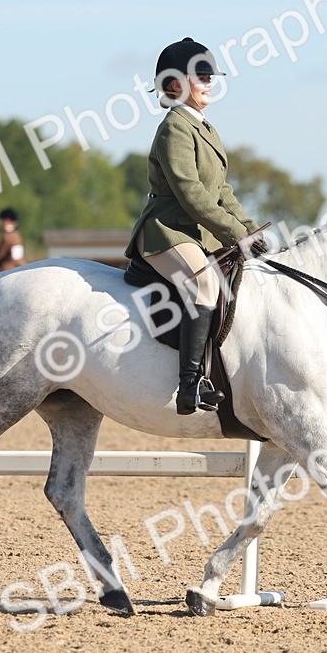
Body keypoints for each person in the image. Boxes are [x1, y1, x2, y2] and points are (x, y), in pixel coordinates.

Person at [124, 37, 268, 415]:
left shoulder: (205, 127)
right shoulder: (175, 128)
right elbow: (191, 194)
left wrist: (252, 229)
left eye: (210, 75)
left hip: (195, 233)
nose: (209, 81)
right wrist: (235, 235)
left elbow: (221, 190)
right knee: (204, 281)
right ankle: (190, 385)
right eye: (201, 75)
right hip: (167, 231)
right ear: (174, 84)